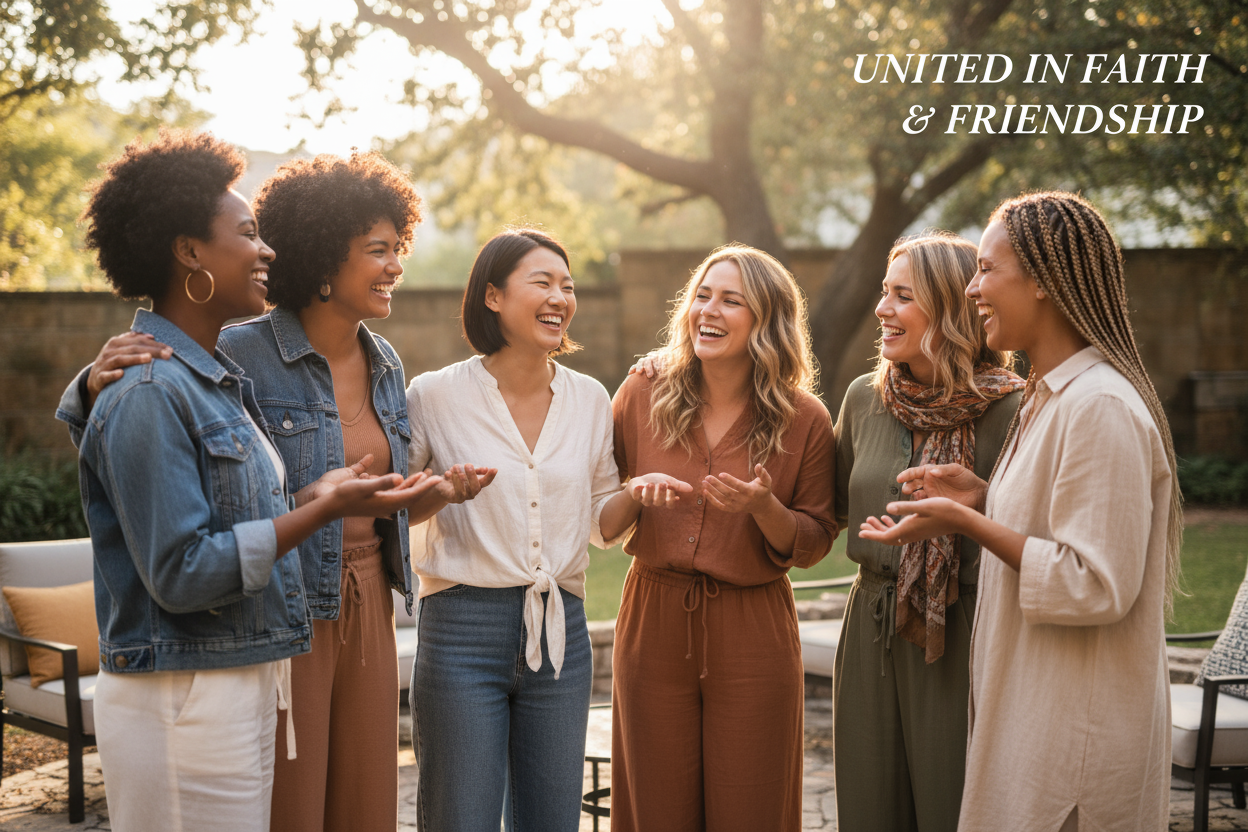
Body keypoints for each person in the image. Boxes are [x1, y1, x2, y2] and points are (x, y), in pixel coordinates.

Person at [75, 151, 487, 832]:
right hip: (282, 604)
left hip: (368, 602)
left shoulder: (386, 364)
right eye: (377, 249)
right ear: (326, 258)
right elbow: (152, 420)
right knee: (290, 802)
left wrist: (436, 492)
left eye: (398, 248)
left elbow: (363, 500)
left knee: (364, 801)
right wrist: (88, 385)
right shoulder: (235, 353)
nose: (395, 265)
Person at [861, 192, 1182, 832]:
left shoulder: (1100, 407)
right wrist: (983, 496)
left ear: (1040, 281)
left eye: (986, 269)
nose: (973, 288)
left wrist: (966, 523)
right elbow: (1058, 523)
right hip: (1032, 718)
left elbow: (1092, 585)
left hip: (1073, 750)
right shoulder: (1050, 398)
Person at [404, 228, 680, 832]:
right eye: (543, 282)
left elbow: (603, 526)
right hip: (460, 632)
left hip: (561, 634)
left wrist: (634, 494)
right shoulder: (433, 395)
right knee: (460, 817)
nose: (560, 296)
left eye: (568, 286)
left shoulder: (588, 398)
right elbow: (396, 511)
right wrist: (443, 491)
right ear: (494, 296)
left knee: (552, 820)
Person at [612, 244, 837, 831]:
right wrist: (636, 489)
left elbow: (815, 538)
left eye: (731, 300)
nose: (708, 310)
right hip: (654, 618)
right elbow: (598, 502)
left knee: (753, 802)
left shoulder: (805, 417)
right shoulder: (641, 393)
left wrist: (765, 508)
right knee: (654, 801)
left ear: (768, 321)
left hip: (753, 626)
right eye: (702, 296)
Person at [831, 231, 1024, 832]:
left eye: (903, 297)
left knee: (955, 806)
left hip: (962, 628)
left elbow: (1033, 529)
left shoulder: (1014, 410)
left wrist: (980, 502)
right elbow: (829, 504)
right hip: (869, 623)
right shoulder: (864, 399)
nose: (883, 310)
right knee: (867, 809)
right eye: (884, 293)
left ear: (950, 307)